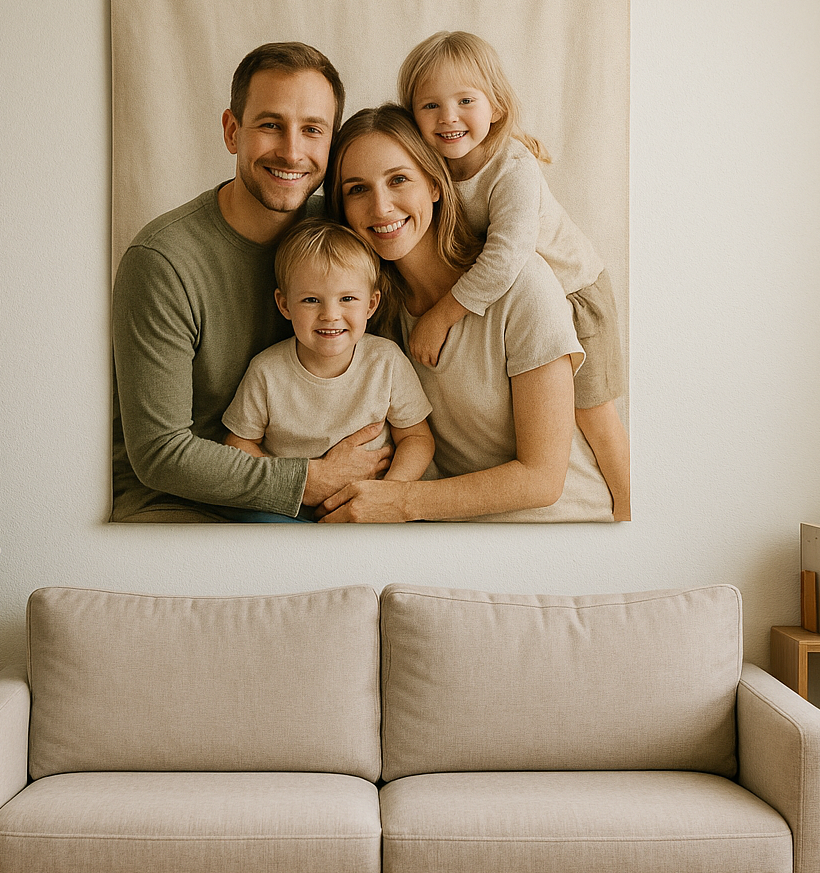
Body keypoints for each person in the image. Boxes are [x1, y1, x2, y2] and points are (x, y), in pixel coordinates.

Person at [111, 42, 393, 522]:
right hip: (187, 507)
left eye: (312, 130)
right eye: (270, 125)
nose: (292, 151)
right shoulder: (163, 261)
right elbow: (160, 452)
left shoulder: (345, 232)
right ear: (232, 130)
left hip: (327, 501)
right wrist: (311, 478)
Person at [321, 104, 614, 524]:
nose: (381, 207)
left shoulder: (522, 285)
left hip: (563, 533)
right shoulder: (371, 316)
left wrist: (399, 502)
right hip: (451, 540)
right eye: (357, 189)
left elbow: (542, 479)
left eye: (399, 179)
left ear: (435, 186)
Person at [397, 31, 631, 521]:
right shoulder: (434, 168)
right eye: (430, 106)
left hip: (573, 290)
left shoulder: (514, 167)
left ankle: (628, 504)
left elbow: (507, 255)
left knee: (590, 409)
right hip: (514, 292)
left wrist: (443, 314)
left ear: (497, 106)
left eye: (465, 101)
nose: (449, 117)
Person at [221, 221, 435, 521]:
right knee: (254, 524)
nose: (330, 315)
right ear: (284, 305)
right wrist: (290, 485)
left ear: (371, 304)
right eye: (311, 300)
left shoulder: (385, 361)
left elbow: (416, 439)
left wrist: (390, 492)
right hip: (289, 511)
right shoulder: (267, 371)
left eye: (347, 299)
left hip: (370, 509)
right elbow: (238, 443)